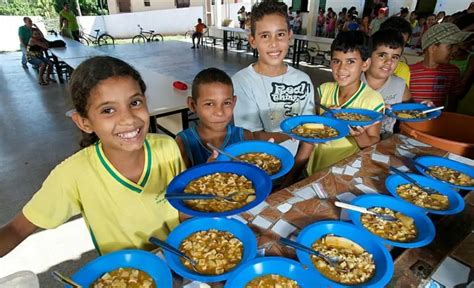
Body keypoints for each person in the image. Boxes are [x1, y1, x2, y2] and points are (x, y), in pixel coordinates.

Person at [0, 56, 185, 257]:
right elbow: (17, 229)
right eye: (108, 110)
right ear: (84, 122)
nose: (129, 118)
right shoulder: (73, 174)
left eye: (135, 102)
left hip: (180, 259)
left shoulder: (167, 147)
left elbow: (185, 206)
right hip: (126, 274)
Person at [283, 31, 384, 184]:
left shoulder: (372, 100)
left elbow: (373, 143)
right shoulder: (324, 90)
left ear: (365, 64)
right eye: (336, 61)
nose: (341, 68)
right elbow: (310, 138)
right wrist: (291, 177)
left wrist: (359, 135)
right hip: (314, 168)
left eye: (350, 61)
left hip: (344, 174)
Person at [232, 1, 315, 143]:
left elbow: (310, 130)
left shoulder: (303, 80)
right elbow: (252, 136)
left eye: (280, 34)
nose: (274, 43)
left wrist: (299, 164)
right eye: (265, 36)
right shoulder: (241, 81)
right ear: (252, 40)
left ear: (290, 36)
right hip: (259, 162)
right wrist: (291, 136)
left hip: (301, 163)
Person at [176, 68, 254, 167]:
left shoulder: (245, 136)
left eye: (226, 103)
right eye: (209, 104)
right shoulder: (183, 143)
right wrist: (208, 171)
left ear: (234, 103)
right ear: (192, 105)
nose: (219, 112)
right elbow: (179, 181)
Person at [409, 23, 472, 110]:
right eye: (450, 46)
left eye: (456, 45)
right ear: (432, 48)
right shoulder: (409, 72)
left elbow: (453, 101)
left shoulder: (452, 72)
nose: (456, 50)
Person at [361, 29, 411, 138]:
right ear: (368, 56)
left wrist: (423, 108)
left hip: (384, 143)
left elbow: (411, 113)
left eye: (395, 57)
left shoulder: (400, 86)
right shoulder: (353, 81)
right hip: (352, 144)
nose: (389, 62)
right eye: (382, 55)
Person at [379, 16, 413, 86]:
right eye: (395, 42)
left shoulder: (403, 69)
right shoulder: (363, 64)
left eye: (403, 43)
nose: (399, 48)